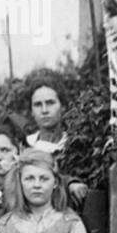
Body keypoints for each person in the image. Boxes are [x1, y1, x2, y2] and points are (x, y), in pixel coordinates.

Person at [25, 78, 89, 208]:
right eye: (38, 104)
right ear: (31, 111)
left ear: (62, 106)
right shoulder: (25, 147)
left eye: (50, 103)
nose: (44, 110)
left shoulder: (76, 146)